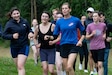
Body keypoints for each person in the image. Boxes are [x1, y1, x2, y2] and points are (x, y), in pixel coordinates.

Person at [53, 2, 85, 75]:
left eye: (66, 8)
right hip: (63, 45)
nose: (64, 10)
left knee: (70, 66)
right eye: (63, 9)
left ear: (70, 10)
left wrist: (80, 41)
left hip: (73, 44)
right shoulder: (59, 22)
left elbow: (84, 32)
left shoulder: (75, 20)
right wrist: (48, 37)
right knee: (67, 69)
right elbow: (55, 34)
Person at [2, 7, 34, 75]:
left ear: (19, 13)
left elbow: (30, 30)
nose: (16, 15)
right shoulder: (9, 24)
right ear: (11, 15)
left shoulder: (24, 21)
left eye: (17, 13)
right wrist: (12, 36)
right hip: (14, 47)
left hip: (24, 46)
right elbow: (4, 35)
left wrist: (31, 33)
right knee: (19, 67)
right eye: (14, 14)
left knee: (20, 65)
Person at [85, 7, 96, 75]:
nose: (89, 13)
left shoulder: (96, 20)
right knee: (90, 55)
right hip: (89, 40)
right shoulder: (85, 21)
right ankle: (91, 70)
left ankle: (95, 68)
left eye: (91, 12)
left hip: (97, 40)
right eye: (88, 12)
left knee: (96, 55)